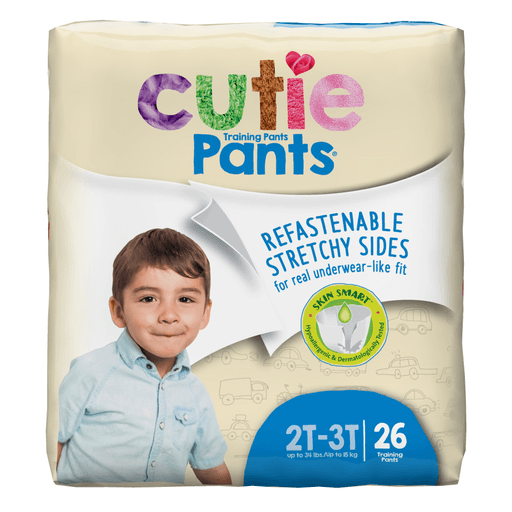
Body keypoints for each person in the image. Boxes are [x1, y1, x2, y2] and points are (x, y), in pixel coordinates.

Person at [56, 228, 231, 485]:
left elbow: (211, 466)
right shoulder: (91, 372)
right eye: (149, 298)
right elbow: (50, 444)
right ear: (119, 311)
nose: (168, 315)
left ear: (205, 313)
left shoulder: (195, 393)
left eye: (185, 299)